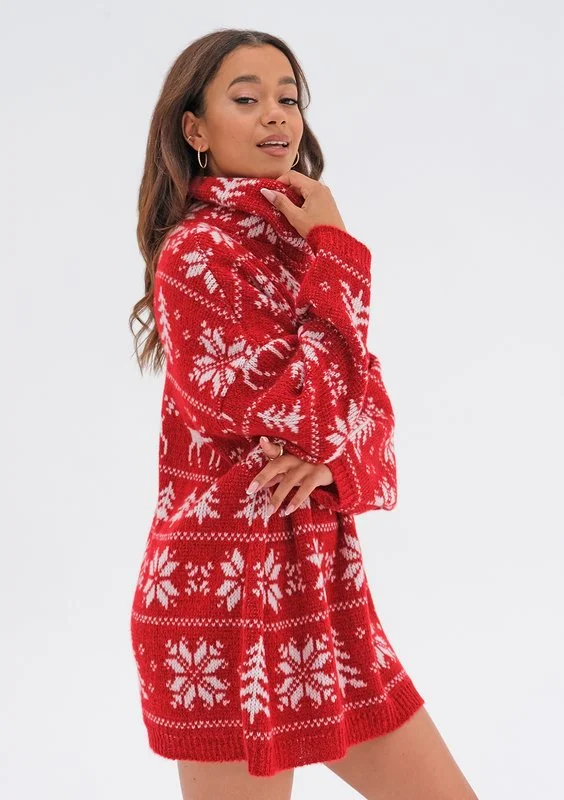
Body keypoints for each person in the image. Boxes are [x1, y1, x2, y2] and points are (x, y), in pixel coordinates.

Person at [128, 28, 479, 800]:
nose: (275, 116)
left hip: (323, 601)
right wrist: (338, 248)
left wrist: (330, 456)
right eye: (246, 98)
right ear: (195, 129)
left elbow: (369, 408)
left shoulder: (299, 248)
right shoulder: (196, 257)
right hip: (221, 607)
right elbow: (310, 412)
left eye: (288, 98)